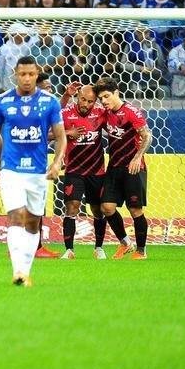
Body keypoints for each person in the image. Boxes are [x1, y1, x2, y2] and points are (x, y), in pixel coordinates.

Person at [0, 56, 67, 286]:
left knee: (33, 222)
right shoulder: (2, 102)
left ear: (37, 73)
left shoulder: (50, 102)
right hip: (11, 170)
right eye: (23, 74)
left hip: (38, 172)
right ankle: (18, 271)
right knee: (16, 216)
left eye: (31, 74)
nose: (27, 78)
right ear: (15, 74)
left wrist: (57, 162)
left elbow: (61, 137)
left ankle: (26, 272)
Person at [95, 76, 152, 259]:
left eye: (106, 96)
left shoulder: (131, 112)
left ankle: (141, 251)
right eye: (101, 98)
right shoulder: (106, 113)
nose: (104, 101)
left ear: (116, 93)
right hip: (114, 167)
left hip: (133, 167)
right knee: (107, 208)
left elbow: (147, 136)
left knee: (135, 209)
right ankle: (126, 243)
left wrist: (137, 157)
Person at [58, 81, 107, 259]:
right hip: (74, 170)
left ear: (96, 102)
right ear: (77, 97)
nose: (85, 104)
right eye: (83, 99)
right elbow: (48, 129)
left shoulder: (101, 114)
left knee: (98, 210)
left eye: (90, 101)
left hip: (97, 171)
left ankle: (99, 248)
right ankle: (69, 250)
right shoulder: (66, 113)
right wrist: (67, 133)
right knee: (72, 207)